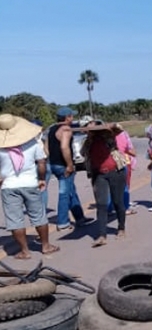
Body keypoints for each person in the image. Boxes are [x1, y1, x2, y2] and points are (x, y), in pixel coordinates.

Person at [0, 114, 60, 259]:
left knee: (15, 220)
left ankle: (24, 251)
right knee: (39, 215)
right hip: (30, 183)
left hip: (9, 186)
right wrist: (41, 179)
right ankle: (45, 246)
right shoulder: (32, 143)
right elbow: (41, 163)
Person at [46, 107, 93, 231]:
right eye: (71, 116)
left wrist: (52, 159)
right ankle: (63, 222)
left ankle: (80, 218)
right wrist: (69, 164)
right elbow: (64, 147)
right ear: (67, 117)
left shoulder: (51, 129)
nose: (72, 118)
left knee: (71, 191)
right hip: (63, 165)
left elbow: (45, 147)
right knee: (65, 193)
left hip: (54, 164)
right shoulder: (66, 130)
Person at [81, 123, 128, 247]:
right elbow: (82, 153)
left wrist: (108, 127)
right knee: (101, 205)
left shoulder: (109, 137)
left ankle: (121, 228)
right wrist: (89, 137)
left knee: (117, 201)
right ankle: (102, 235)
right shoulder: (88, 143)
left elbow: (119, 128)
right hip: (99, 175)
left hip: (116, 172)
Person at [115, 125, 137, 215]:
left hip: (113, 163)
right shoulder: (122, 135)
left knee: (114, 186)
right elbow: (128, 149)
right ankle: (125, 206)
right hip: (124, 161)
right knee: (125, 185)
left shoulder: (109, 137)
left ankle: (112, 207)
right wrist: (133, 153)